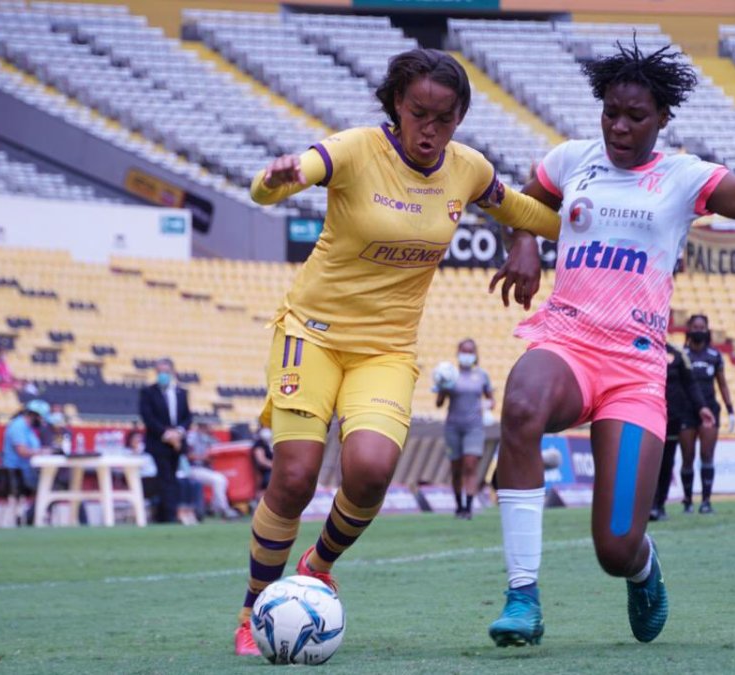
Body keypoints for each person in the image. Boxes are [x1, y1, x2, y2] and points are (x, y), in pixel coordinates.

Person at [485, 42, 735, 647]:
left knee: (614, 546)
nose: (618, 125)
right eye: (610, 112)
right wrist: (525, 241)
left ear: (662, 119)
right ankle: (522, 596)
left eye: (634, 116)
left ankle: (642, 567)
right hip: (568, 342)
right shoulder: (571, 161)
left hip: (634, 369)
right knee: (522, 402)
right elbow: (523, 202)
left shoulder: (684, 177)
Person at [234, 47, 560, 655]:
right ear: (395, 107)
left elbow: (526, 210)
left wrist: (550, 236)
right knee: (297, 475)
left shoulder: (467, 169)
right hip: (311, 335)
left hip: (385, 350)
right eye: (418, 113)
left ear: (460, 117)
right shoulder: (356, 149)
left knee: (371, 471)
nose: (430, 130)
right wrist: (273, 180)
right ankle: (252, 609)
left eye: (445, 117)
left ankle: (318, 563)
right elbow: (277, 183)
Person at [678, 314, 735, 514]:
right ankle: (687, 501)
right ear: (689, 329)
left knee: (706, 454)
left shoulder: (714, 355)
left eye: (702, 326)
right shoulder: (681, 354)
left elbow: (722, 383)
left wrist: (730, 409)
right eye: (695, 326)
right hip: (686, 411)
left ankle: (706, 501)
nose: (699, 330)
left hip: (710, 410)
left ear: (707, 329)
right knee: (687, 456)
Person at [651, 343, 714, 521]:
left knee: (666, 462)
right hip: (646, 414)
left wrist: (701, 407)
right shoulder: (639, 347)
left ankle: (659, 505)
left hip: (672, 417)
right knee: (647, 460)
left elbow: (690, 383)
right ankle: (647, 504)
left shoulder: (677, 354)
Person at [434, 338, 495, 520]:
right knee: (456, 468)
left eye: (469, 351)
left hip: (474, 428)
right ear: (458, 353)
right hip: (453, 427)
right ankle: (458, 505)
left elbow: (491, 400)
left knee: (470, 465)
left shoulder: (482, 376)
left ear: (475, 354)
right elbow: (439, 403)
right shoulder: (450, 374)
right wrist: (443, 388)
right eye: (463, 351)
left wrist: (486, 405)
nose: (466, 354)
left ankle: (468, 507)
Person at [138, 358, 192, 524]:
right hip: (158, 443)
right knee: (165, 478)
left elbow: (187, 416)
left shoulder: (181, 392)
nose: (162, 375)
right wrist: (165, 433)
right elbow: (147, 416)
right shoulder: (148, 392)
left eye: (165, 372)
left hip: (177, 443)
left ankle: (164, 515)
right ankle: (169, 515)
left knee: (173, 478)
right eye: (159, 372)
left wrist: (179, 432)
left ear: (172, 372)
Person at [186, 422, 239, 520]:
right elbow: (187, 455)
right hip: (192, 468)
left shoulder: (209, 438)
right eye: (207, 426)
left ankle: (214, 508)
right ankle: (223, 509)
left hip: (205, 469)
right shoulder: (192, 437)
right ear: (201, 426)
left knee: (221, 480)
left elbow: (219, 448)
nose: (210, 428)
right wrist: (203, 458)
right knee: (219, 480)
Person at [1, 399, 50, 494]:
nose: (42, 422)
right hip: (19, 473)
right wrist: (43, 451)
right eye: (41, 418)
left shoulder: (28, 428)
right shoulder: (18, 427)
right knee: (52, 485)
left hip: (27, 470)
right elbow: (22, 452)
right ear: (34, 416)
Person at [251, 427, 273, 493]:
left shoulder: (275, 442)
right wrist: (277, 466)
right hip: (267, 471)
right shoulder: (259, 444)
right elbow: (262, 461)